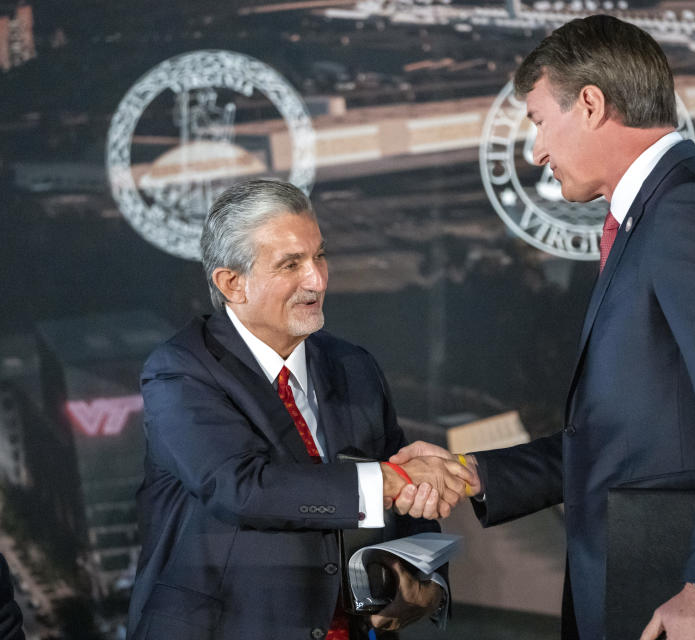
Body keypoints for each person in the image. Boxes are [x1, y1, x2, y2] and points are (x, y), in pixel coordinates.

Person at [392, 15, 695, 640]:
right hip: (638, 581)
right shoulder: (660, 211)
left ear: (592, 105)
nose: (536, 149)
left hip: (678, 599)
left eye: (541, 121)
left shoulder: (690, 210)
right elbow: (624, 437)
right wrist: (469, 472)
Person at [127, 179, 472, 640]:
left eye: (319, 256)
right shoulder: (181, 371)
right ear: (232, 283)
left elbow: (409, 511)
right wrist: (390, 480)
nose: (318, 279)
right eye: (291, 264)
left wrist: (426, 583)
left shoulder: (353, 365)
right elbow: (242, 487)